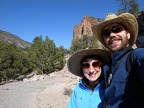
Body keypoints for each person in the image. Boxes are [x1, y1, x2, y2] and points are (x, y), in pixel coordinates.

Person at [92, 13, 144, 108]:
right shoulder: (107, 66)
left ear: (128, 34)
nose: (111, 34)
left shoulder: (136, 56)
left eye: (116, 29)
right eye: (106, 33)